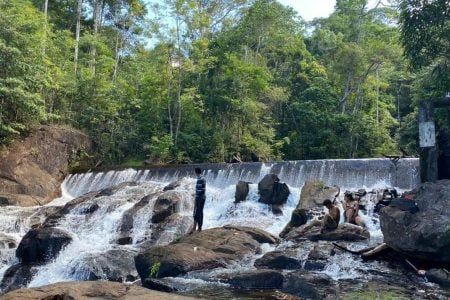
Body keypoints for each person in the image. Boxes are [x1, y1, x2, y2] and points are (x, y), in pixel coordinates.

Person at [190, 167, 206, 233]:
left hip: (200, 198)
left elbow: (199, 191)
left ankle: (199, 228)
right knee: (198, 212)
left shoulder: (199, 179)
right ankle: (194, 227)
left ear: (196, 172)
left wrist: (195, 199)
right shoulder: (203, 178)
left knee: (198, 212)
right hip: (202, 197)